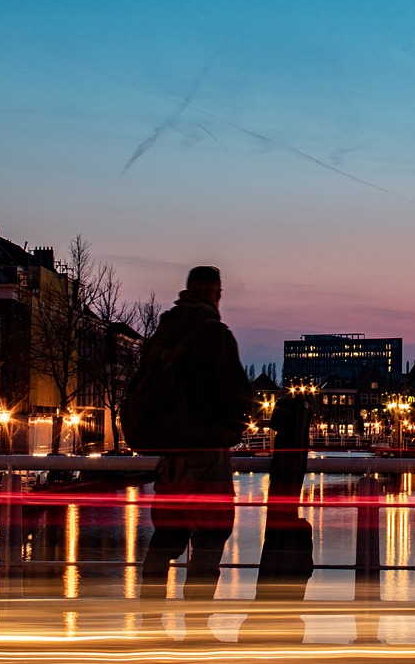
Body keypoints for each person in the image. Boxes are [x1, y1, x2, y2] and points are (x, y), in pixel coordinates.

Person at [139, 266, 256, 629]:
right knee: (211, 534)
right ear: (215, 294)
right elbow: (235, 393)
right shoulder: (215, 336)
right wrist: (231, 428)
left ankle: (150, 621)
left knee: (166, 535)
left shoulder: (163, 334)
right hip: (206, 450)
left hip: (170, 454)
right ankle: (197, 626)